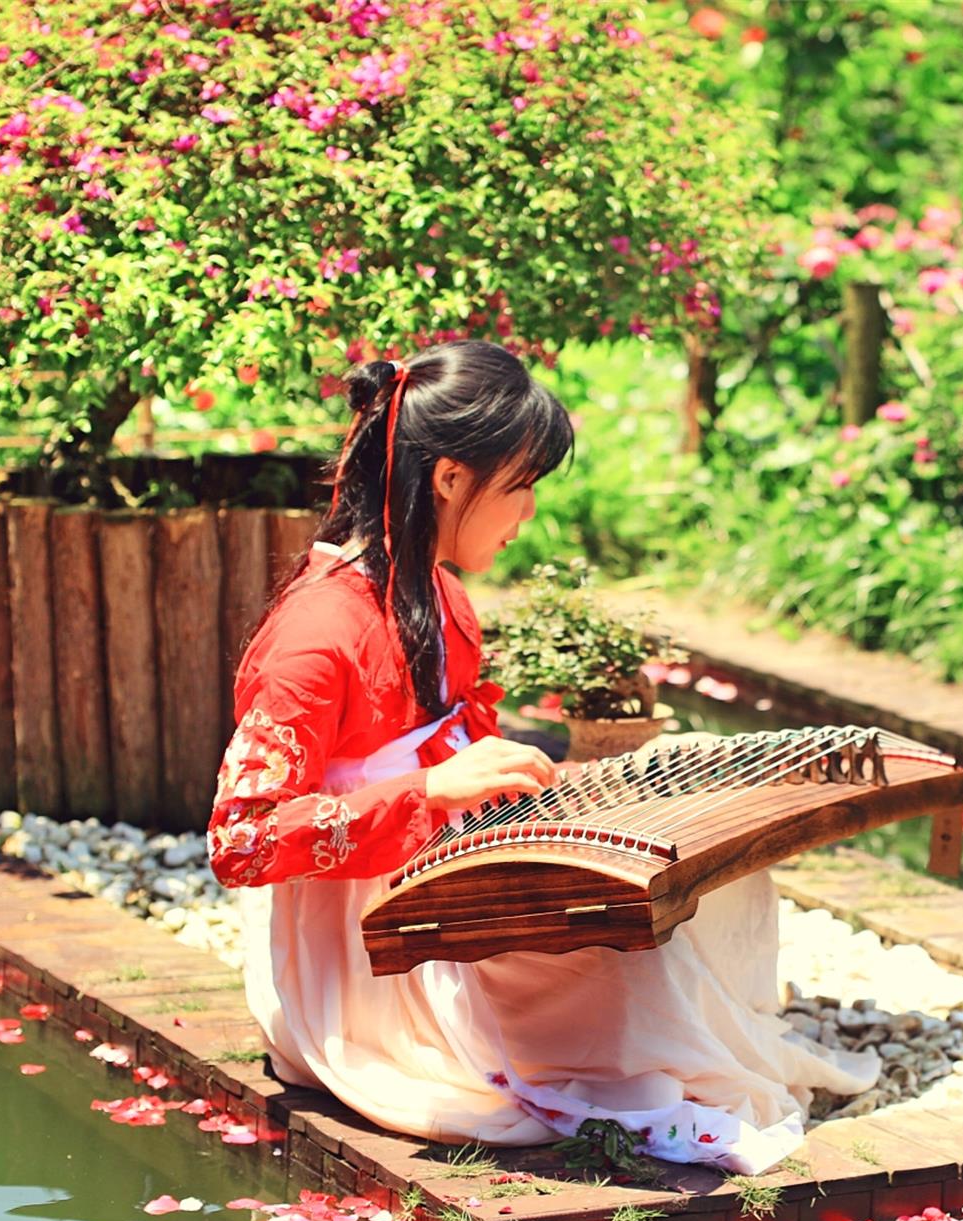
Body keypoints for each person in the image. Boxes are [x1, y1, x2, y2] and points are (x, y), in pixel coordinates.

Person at [207, 340, 877, 1173]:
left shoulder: (440, 595)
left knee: (704, 888)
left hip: (445, 866)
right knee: (626, 956)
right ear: (450, 477)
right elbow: (243, 840)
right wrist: (431, 787)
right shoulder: (314, 634)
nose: (527, 511)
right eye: (520, 484)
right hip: (374, 944)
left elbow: (461, 750)